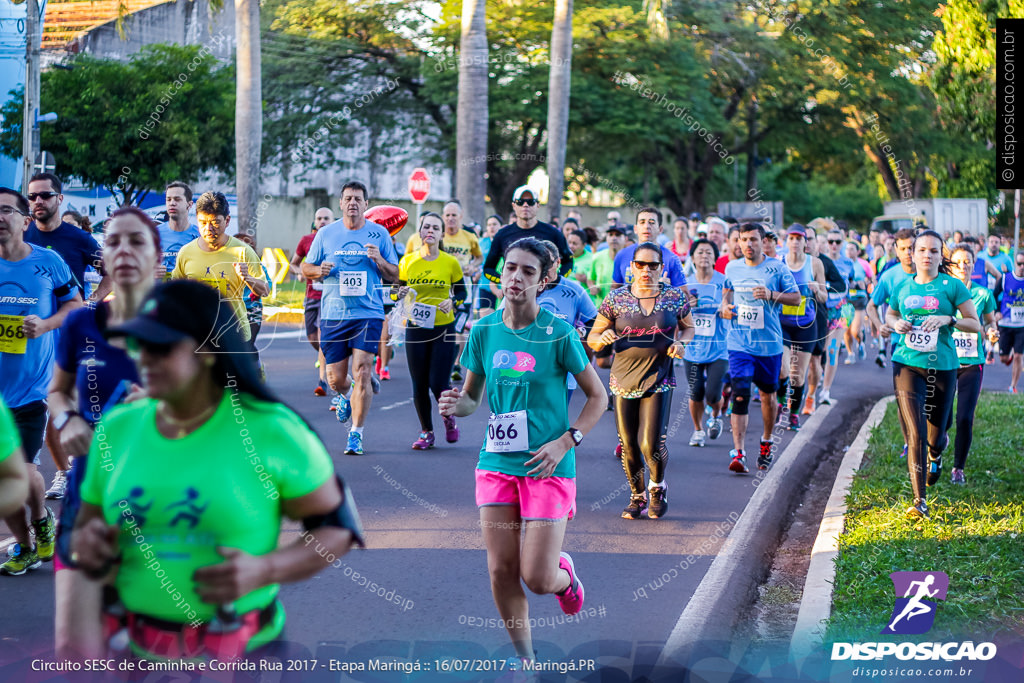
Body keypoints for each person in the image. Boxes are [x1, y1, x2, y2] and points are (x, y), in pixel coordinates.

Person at [68, 279, 363, 661]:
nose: (143, 357)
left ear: (207, 351)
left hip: (241, 653)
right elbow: (87, 529)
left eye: (161, 346)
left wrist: (266, 569)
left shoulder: (270, 429)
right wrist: (90, 549)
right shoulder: (117, 427)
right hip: (134, 651)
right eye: (138, 343)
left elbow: (337, 529)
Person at [438, 237, 605, 667]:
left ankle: (564, 577)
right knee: (500, 571)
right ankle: (525, 661)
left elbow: (597, 397)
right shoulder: (484, 330)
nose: (516, 277)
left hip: (548, 465)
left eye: (528, 272)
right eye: (511, 268)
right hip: (497, 462)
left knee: (537, 577)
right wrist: (458, 405)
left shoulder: (558, 334)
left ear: (545, 280)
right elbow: (473, 399)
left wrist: (566, 440)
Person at [48, 207, 156, 658]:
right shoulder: (80, 323)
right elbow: (57, 392)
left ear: (157, 255)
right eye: (113, 242)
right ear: (102, 256)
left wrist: (163, 403)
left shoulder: (187, 323)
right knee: (73, 648)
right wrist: (67, 419)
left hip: (165, 501)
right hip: (90, 493)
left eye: (136, 241)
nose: (124, 251)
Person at [0, 186, 83, 575]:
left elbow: (75, 305)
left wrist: (46, 323)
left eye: (6, 211)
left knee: (21, 471)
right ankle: (31, 537)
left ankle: (34, 532)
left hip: (32, 387)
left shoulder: (48, 262)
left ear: (24, 220)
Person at [589, 242, 695, 519]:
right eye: (640, 264)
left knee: (651, 444)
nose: (646, 270)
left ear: (662, 268)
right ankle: (637, 496)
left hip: (659, 377)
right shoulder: (616, 299)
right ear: (631, 268)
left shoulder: (674, 298)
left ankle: (657, 488)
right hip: (623, 380)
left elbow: (689, 328)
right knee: (629, 445)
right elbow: (593, 337)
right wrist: (602, 338)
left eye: (653, 265)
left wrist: (681, 344)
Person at [886, 230, 980, 518]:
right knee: (915, 432)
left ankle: (938, 451)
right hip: (906, 362)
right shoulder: (902, 287)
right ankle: (919, 501)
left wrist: (949, 319)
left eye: (934, 251)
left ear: (941, 256)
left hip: (943, 366)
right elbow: (890, 314)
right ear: (912, 254)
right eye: (922, 250)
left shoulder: (952, 287)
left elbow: (974, 324)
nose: (927, 255)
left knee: (935, 434)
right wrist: (896, 323)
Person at [25, 173, 108, 500]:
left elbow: (110, 273)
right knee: (45, 409)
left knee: (78, 408)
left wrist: (90, 302)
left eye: (44, 196)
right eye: (32, 197)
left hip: (71, 336)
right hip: (31, 341)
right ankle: (63, 472)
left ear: (60, 199)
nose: (37, 203)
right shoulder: (22, 233)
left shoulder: (78, 238)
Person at [301, 181, 399, 455]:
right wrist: (319, 269)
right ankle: (348, 392)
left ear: (367, 205)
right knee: (334, 379)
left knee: (364, 370)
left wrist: (379, 259)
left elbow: (394, 274)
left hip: (368, 313)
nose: (353, 203)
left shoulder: (379, 234)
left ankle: (356, 433)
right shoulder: (326, 234)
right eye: (348, 198)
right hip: (334, 314)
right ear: (341, 204)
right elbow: (306, 267)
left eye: (358, 198)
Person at [719, 223, 800, 473]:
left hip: (769, 344)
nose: (748, 244)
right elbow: (726, 294)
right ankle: (739, 452)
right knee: (740, 393)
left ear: (763, 241)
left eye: (753, 239)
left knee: (767, 396)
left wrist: (771, 294)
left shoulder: (777, 268)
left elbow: (796, 298)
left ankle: (766, 441)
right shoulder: (732, 267)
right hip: (739, 343)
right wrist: (724, 308)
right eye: (743, 240)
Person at [394, 212, 466, 449]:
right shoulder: (407, 261)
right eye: (427, 227)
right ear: (420, 232)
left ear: (442, 233)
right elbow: (397, 291)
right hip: (416, 327)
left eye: (436, 227)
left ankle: (448, 418)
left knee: (438, 382)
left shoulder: (450, 262)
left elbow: (462, 292)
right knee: (419, 384)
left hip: (443, 328)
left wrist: (452, 301)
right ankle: (427, 432)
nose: (431, 231)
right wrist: (400, 294)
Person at [171, 191, 269, 348]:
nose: (208, 229)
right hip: (197, 334)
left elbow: (265, 290)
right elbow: (175, 291)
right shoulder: (186, 252)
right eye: (203, 222)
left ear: (227, 220)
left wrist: (247, 278)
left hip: (234, 333)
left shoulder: (242, 251)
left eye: (215, 222)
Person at [947, 245, 999, 485]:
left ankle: (958, 468)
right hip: (946, 361)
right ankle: (939, 442)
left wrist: (992, 332)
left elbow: (989, 322)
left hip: (972, 363)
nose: (963, 266)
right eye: (958, 262)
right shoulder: (943, 291)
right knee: (943, 416)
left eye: (967, 261)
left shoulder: (983, 294)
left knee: (965, 417)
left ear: (974, 264)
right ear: (951, 264)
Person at [777, 225, 826, 431]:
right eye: (792, 238)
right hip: (782, 323)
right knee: (783, 370)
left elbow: (825, 297)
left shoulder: (815, 263)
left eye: (800, 238)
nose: (796, 242)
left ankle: (794, 414)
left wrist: (816, 288)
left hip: (806, 324)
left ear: (806, 242)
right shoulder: (779, 263)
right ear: (786, 241)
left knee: (798, 375)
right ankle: (780, 405)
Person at [682, 239, 728, 446]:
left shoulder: (724, 282)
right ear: (692, 257)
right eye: (700, 252)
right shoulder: (685, 284)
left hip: (719, 348)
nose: (704, 256)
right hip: (693, 349)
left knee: (712, 394)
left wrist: (724, 309)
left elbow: (732, 309)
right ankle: (698, 430)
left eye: (709, 252)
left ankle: (716, 415)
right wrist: (685, 308)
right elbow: (675, 314)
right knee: (696, 392)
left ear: (715, 258)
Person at [482, 186, 573, 286]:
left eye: (530, 202)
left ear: (537, 205)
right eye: (520, 202)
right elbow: (488, 268)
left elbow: (568, 262)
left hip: (544, 294)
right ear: (514, 205)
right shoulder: (502, 234)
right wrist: (504, 280)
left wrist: (555, 280)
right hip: (514, 295)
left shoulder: (553, 233)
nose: (525, 205)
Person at [290, 207, 335, 394]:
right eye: (319, 218)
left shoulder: (338, 240)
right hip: (311, 294)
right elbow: (294, 263)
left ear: (333, 221)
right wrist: (302, 273)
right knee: (311, 336)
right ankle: (326, 353)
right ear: (314, 222)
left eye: (326, 218)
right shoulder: (307, 241)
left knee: (323, 336)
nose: (322, 221)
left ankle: (322, 380)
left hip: (331, 296)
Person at [866, 229, 916, 372]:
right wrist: (879, 325)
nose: (907, 252)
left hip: (929, 343)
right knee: (905, 392)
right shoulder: (889, 276)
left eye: (911, 248)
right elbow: (871, 306)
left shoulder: (930, 273)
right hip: (900, 343)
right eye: (903, 248)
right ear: (896, 250)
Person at [611, 208, 687, 287]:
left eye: (652, 223)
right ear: (635, 229)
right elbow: (614, 288)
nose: (647, 226)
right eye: (642, 222)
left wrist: (669, 289)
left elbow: (684, 294)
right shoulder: (622, 255)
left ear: (660, 229)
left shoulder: (672, 259)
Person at [157, 181, 200, 280]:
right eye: (168, 199)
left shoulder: (200, 235)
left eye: (177, 199)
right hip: (161, 293)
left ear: (189, 205)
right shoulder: (154, 234)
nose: (172, 203)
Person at [995, 250, 1024, 393]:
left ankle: (1013, 386)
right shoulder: (1006, 278)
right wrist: (996, 312)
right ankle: (1008, 355)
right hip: (1005, 323)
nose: (1022, 266)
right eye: (1019, 263)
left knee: (1019, 356)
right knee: (1003, 359)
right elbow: (994, 295)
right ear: (1015, 264)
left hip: (1022, 325)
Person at [843, 240, 874, 363]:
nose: (849, 252)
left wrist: (865, 283)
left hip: (860, 300)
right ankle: (850, 353)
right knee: (846, 330)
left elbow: (871, 279)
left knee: (855, 330)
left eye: (852, 249)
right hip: (846, 300)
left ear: (858, 251)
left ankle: (861, 343)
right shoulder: (843, 263)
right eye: (847, 249)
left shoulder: (863, 264)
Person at [0, 398, 29, 518]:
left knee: (31, 474)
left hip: (30, 405)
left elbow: (14, 478)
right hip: (10, 404)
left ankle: (39, 518)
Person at [477, 215, 503, 316]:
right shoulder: (482, 243)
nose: (492, 227)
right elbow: (476, 260)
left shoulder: (506, 243)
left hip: (502, 287)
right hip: (485, 284)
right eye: (489, 225)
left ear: (500, 226)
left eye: (494, 224)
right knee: (486, 322)